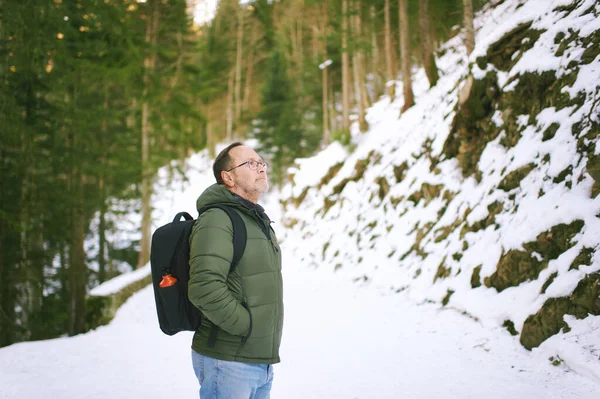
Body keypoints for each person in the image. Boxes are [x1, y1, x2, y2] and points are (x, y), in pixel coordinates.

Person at [188, 142, 283, 399]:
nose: (261, 168)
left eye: (261, 163)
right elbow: (204, 287)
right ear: (228, 177)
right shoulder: (218, 219)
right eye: (250, 163)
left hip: (258, 360)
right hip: (228, 361)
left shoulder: (255, 219)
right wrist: (246, 327)